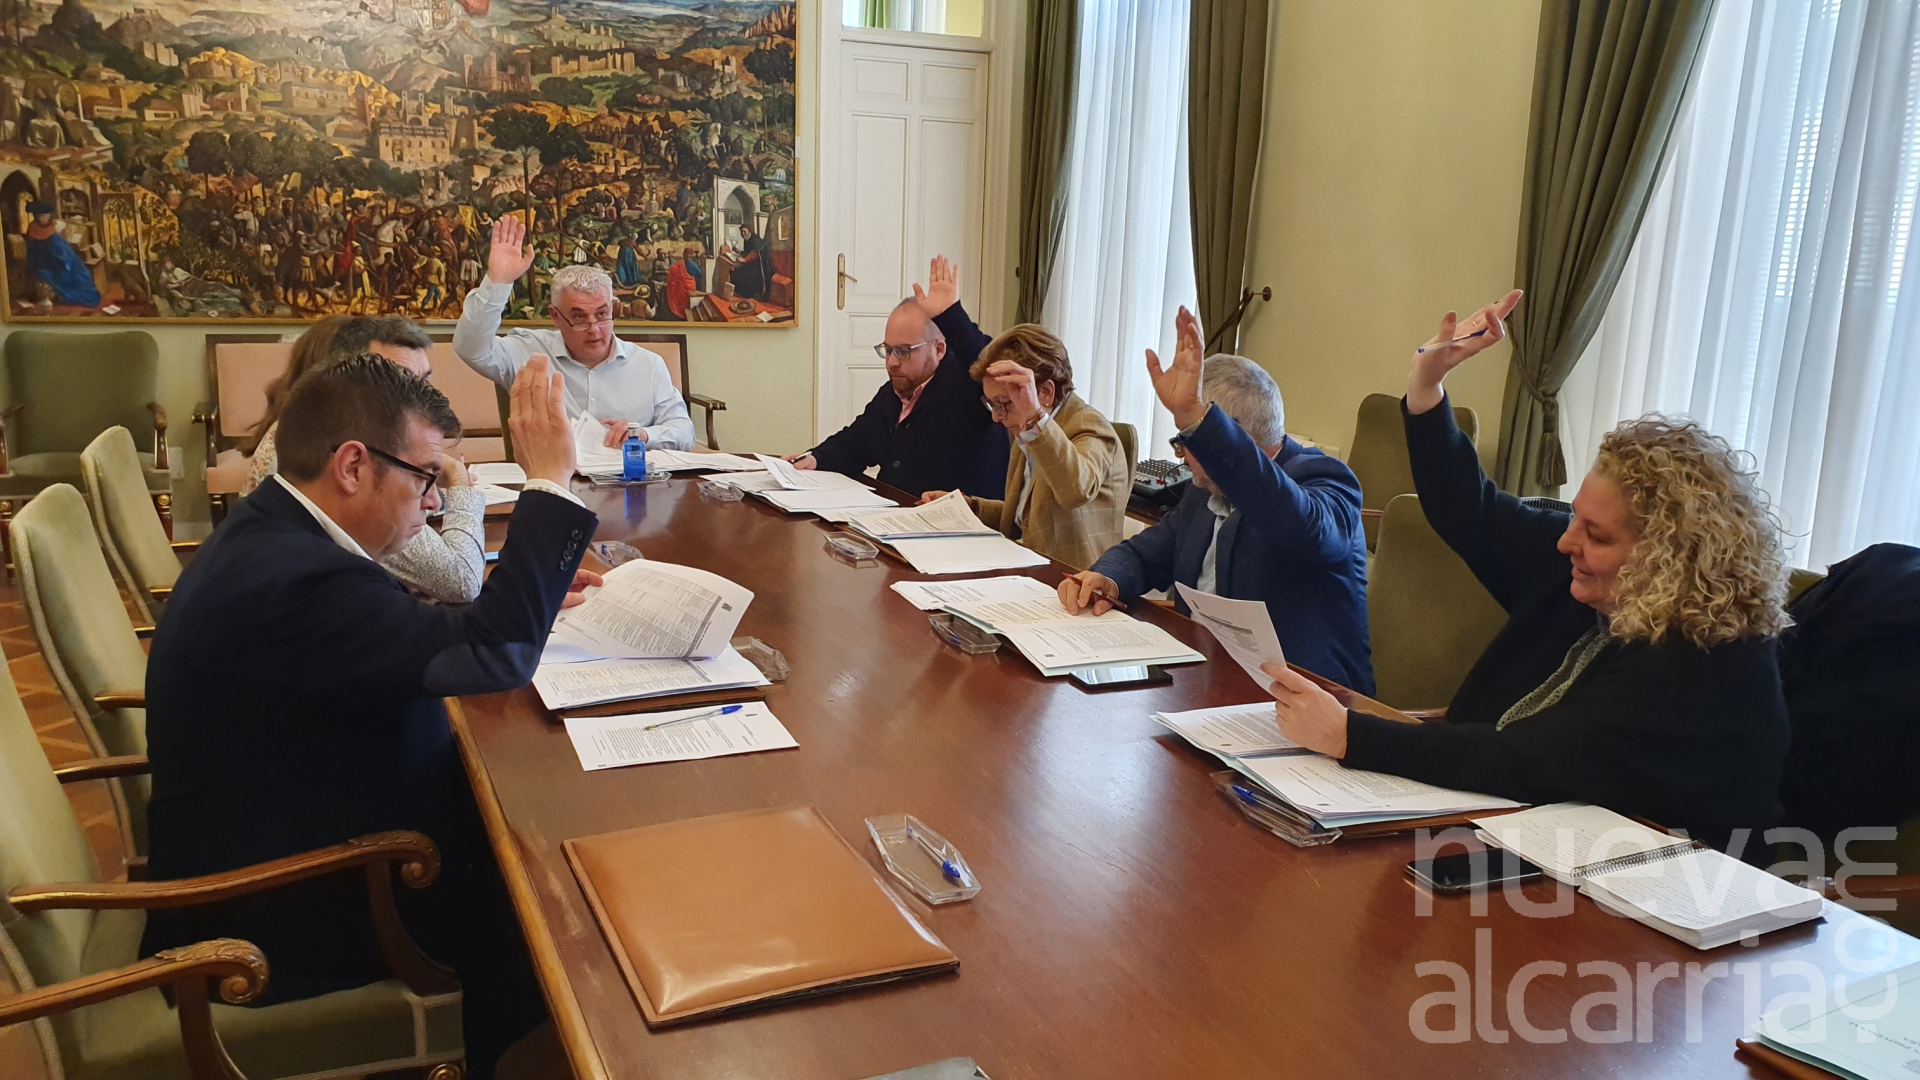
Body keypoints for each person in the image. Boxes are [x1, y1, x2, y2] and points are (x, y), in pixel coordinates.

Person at [141, 354, 601, 1079]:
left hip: (299, 824)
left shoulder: (278, 534)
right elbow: (495, 655)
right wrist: (549, 481)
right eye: (424, 479)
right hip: (283, 916)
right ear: (353, 466)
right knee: (554, 904)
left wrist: (528, 597)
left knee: (534, 834)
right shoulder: (295, 581)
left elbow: (404, 635)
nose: (433, 504)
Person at [1261, 290, 1792, 849]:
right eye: (1576, 518)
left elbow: (1533, 758)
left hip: (1654, 873)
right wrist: (1426, 386)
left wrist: (1351, 735)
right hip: (1526, 829)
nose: (1567, 540)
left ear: (1669, 557)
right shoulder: (1583, 573)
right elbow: (1473, 512)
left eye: (1597, 535)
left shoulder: (1705, 664)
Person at [1060, 307, 1373, 694]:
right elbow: (1146, 554)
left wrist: (1202, 425)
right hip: (1201, 681)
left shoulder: (1325, 479)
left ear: (1230, 437)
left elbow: (1295, 521)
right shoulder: (1201, 489)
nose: (1180, 456)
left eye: (1187, 441)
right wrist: (1106, 578)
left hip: (1304, 700)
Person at [245, 316, 487, 604]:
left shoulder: (301, 433)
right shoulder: (336, 462)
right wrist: (458, 479)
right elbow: (461, 579)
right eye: (398, 380)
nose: (420, 397)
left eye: (423, 381)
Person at [454, 215, 694, 450]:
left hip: (627, 474)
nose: (594, 329)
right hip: (550, 475)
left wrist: (644, 435)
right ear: (556, 316)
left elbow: (684, 431)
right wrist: (498, 282)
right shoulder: (529, 354)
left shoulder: (648, 365)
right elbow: (471, 349)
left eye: (602, 314)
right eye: (579, 317)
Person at [785, 257, 1009, 499]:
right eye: (888, 350)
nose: (891, 361)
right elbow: (856, 443)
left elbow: (991, 368)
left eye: (903, 351)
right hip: (893, 513)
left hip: (954, 520)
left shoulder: (967, 387)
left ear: (939, 349)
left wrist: (951, 317)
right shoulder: (892, 393)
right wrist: (815, 458)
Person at [924, 321, 1128, 570]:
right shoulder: (1026, 430)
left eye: (1003, 403)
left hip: (1074, 581)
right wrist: (970, 508)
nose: (996, 417)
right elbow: (1027, 518)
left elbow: (1075, 492)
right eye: (991, 404)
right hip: (1026, 568)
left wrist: (1035, 416)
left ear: (1045, 393)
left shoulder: (1091, 427)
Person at [24, 201, 100, 307]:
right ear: (37, 217)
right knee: (67, 274)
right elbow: (34, 250)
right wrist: (62, 258)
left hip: (59, 259)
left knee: (81, 270)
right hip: (44, 262)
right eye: (43, 216)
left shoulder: (50, 228)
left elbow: (62, 246)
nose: (46, 218)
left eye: (47, 216)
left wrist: (66, 257)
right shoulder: (33, 228)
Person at [727, 221, 772, 301]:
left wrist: (745, 259)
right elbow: (748, 252)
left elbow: (754, 253)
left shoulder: (755, 239)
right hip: (752, 263)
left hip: (761, 265)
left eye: (744, 231)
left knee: (746, 273)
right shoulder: (747, 240)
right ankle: (741, 293)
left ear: (749, 231)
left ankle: (750, 295)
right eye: (741, 232)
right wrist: (739, 252)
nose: (743, 234)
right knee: (737, 271)